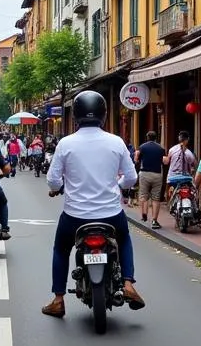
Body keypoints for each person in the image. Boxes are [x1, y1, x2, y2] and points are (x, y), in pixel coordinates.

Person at [42, 91, 144, 317]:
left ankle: (58, 299)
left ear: (76, 115)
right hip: (110, 214)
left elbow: (52, 179)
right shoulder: (116, 142)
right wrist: (118, 185)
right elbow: (131, 177)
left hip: (74, 216)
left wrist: (58, 188)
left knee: (61, 249)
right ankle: (128, 284)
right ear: (104, 114)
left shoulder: (65, 143)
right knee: (124, 239)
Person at [135, 130, 167, 229]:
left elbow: (136, 159)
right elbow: (165, 161)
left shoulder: (142, 147)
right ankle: (154, 220)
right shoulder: (161, 148)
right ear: (155, 138)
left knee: (143, 195)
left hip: (144, 173)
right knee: (156, 198)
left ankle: (144, 215)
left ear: (147, 137)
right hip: (157, 174)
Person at [164, 131, 196, 202]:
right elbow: (194, 166)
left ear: (179, 139)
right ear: (187, 140)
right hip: (186, 179)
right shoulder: (189, 153)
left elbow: (166, 161)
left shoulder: (172, 150)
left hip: (172, 178)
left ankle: (169, 202)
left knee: (169, 191)